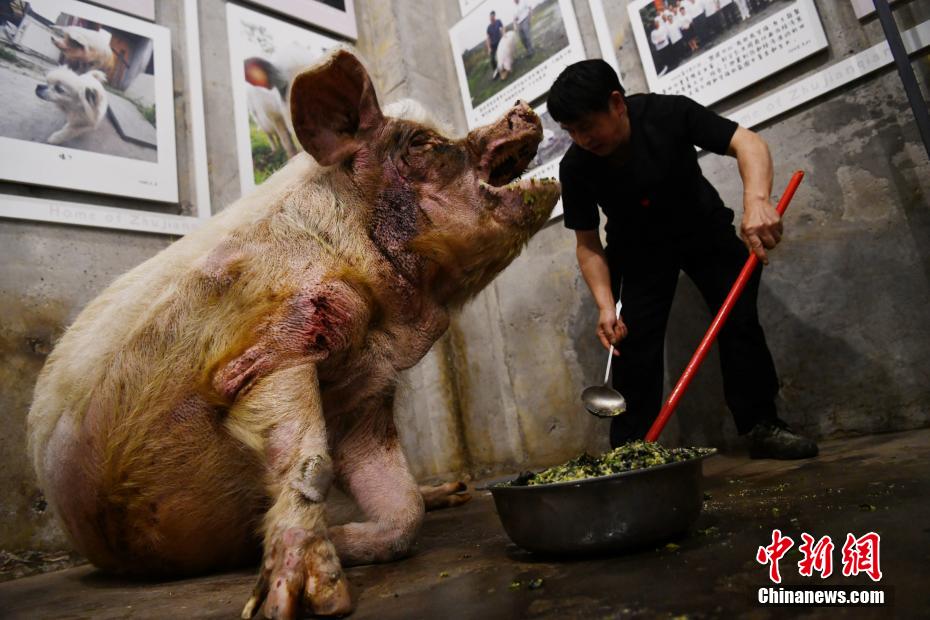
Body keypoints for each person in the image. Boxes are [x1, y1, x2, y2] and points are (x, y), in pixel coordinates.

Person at [547, 59, 818, 459]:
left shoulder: (667, 112)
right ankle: (632, 450)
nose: (582, 139)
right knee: (631, 343)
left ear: (617, 103)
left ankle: (762, 425)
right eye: (570, 131)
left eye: (586, 126)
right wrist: (605, 305)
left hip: (702, 229)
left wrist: (757, 201)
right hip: (638, 250)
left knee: (739, 321)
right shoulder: (575, 166)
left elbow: (747, 143)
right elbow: (587, 243)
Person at [486, 10, 505, 78]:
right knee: (492, 59)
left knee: (501, 55)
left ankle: (504, 67)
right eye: (491, 17)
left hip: (499, 42)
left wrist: (504, 35)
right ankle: (496, 72)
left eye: (493, 16)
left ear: (494, 16)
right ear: (490, 17)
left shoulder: (498, 21)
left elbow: (502, 28)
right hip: (492, 45)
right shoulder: (488, 27)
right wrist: (489, 48)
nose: (492, 18)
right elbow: (488, 38)